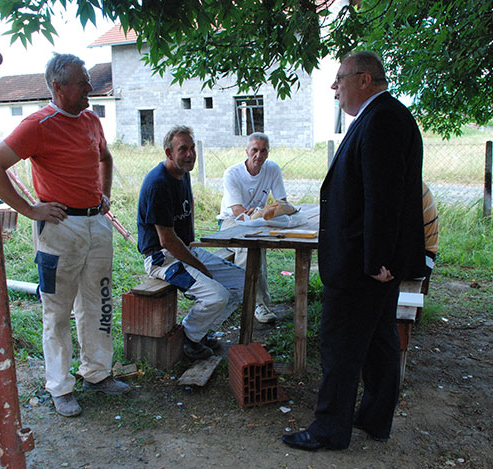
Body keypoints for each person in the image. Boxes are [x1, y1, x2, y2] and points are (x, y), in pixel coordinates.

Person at [282, 51, 425, 451]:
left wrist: (378, 260)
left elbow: (384, 198)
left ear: (364, 80)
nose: (333, 88)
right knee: (379, 343)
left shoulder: (381, 120)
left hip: (364, 263)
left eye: (339, 79)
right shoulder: (384, 116)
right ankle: (375, 418)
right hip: (372, 261)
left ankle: (329, 429)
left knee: (341, 346)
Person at [0, 53, 130, 418]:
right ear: (58, 86)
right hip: (59, 227)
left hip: (95, 224)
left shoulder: (90, 119)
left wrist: (106, 194)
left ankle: (97, 374)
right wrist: (30, 209)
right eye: (82, 81)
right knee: (56, 311)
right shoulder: (37, 124)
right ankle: (59, 386)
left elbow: (106, 158)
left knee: (98, 302)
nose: (90, 87)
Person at [137, 126, 245, 360]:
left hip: (183, 249)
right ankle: (190, 338)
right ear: (168, 152)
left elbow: (188, 210)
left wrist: (194, 247)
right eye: (182, 149)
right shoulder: (158, 184)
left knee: (242, 282)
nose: (190, 154)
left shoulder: (182, 174)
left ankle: (201, 330)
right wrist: (200, 265)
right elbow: (166, 240)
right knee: (217, 296)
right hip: (161, 257)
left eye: (192, 148)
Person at [218, 132, 287, 324]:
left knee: (256, 244)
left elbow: (282, 203)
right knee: (250, 246)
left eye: (263, 150)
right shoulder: (232, 173)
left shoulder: (272, 169)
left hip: (258, 221)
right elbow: (238, 211)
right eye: (254, 150)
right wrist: (263, 211)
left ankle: (248, 299)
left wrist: (261, 212)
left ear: (268, 152)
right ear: (246, 151)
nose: (259, 155)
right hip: (231, 221)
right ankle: (251, 300)